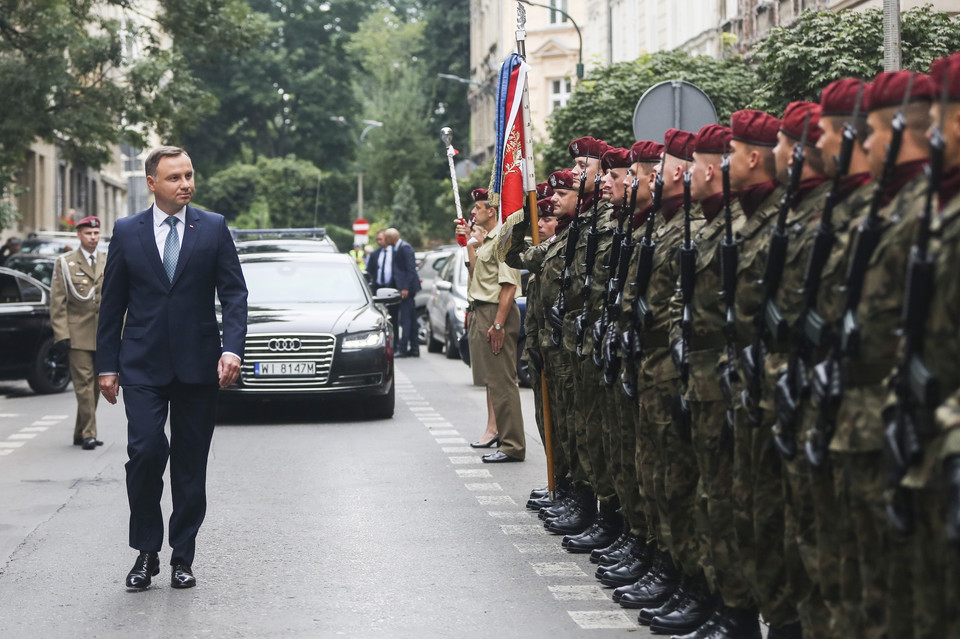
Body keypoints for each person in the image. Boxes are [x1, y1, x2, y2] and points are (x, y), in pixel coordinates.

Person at [97, 146, 248, 590]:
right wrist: (107, 365)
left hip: (199, 365)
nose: (186, 184)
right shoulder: (127, 232)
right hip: (141, 364)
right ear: (152, 183)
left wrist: (232, 350)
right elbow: (112, 305)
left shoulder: (213, 227)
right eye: (175, 177)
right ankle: (146, 552)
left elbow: (234, 294)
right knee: (144, 454)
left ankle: (183, 556)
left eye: (189, 175)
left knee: (189, 465)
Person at [457, 188, 525, 462]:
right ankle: (502, 437)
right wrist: (469, 244)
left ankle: (512, 446)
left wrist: (498, 325)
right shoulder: (486, 240)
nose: (472, 213)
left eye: (477, 209)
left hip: (496, 313)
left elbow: (509, 286)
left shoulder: (503, 240)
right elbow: (476, 275)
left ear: (491, 211)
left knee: (502, 381)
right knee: (492, 380)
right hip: (481, 310)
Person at [49, 216, 105, 450]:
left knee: (96, 387)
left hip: (102, 334)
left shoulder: (107, 260)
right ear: (79, 235)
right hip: (78, 334)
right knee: (83, 384)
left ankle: (79, 431)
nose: (93, 237)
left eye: (96, 233)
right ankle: (90, 434)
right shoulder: (65, 263)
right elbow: (57, 302)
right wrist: (62, 335)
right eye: (88, 233)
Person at [386, 228, 420, 357]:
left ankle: (404, 348)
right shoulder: (396, 248)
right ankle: (414, 348)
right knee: (410, 319)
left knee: (406, 320)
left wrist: (405, 288)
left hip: (407, 290)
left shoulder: (405, 248)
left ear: (392, 238)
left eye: (387, 238)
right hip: (401, 289)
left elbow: (411, 270)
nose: (385, 240)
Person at [368, 229, 399, 342]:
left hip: (392, 290)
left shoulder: (396, 253)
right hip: (377, 290)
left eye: (381, 239)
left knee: (394, 319)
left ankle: (395, 343)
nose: (379, 242)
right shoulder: (375, 254)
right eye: (377, 240)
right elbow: (370, 272)